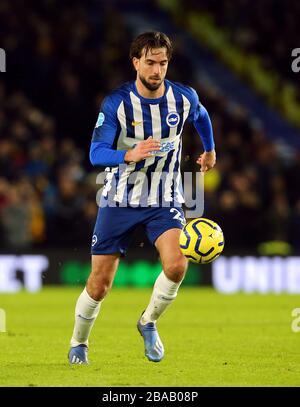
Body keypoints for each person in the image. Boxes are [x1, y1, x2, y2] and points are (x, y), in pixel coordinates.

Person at [68, 31, 216, 364]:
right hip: (119, 199)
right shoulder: (117, 103)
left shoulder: (183, 97)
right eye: (150, 62)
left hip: (164, 198)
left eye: (163, 63)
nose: (157, 71)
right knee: (99, 285)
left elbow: (202, 116)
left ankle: (148, 321)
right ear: (136, 62)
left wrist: (209, 149)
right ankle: (79, 343)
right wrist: (128, 155)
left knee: (177, 265)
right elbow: (95, 152)